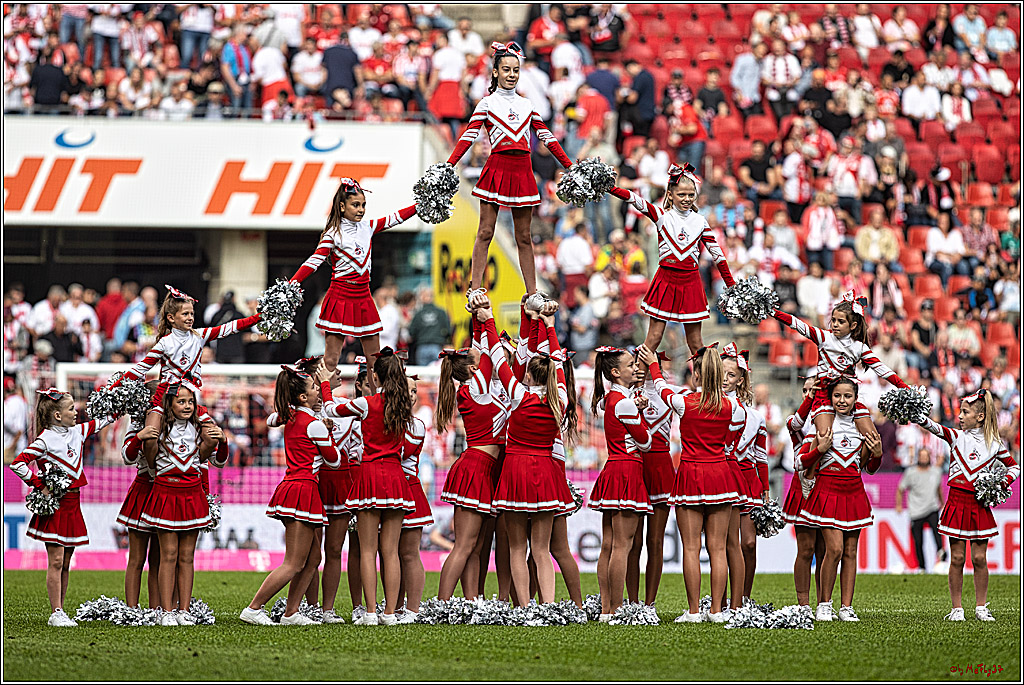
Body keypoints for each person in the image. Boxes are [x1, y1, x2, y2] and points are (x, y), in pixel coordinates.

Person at [449, 42, 573, 308]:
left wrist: (570, 165)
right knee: (485, 231)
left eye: (516, 70)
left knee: (524, 236)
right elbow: (468, 137)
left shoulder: (527, 104)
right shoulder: (486, 103)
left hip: (522, 170)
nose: (512, 74)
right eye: (506, 69)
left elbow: (548, 137)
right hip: (497, 168)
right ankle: (475, 288)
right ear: (495, 72)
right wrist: (449, 165)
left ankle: (533, 292)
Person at [637, 343, 743, 623]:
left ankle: (694, 611)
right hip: (720, 475)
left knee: (691, 548)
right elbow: (733, 437)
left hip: (691, 476)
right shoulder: (731, 406)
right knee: (718, 548)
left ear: (696, 374)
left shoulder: (684, 402)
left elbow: (660, 387)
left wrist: (653, 363)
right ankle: (717, 611)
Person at [477, 302, 574, 607]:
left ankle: (523, 607)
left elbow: (497, 358)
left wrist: (488, 321)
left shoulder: (519, 395)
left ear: (529, 377)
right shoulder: (560, 399)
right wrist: (549, 326)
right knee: (542, 550)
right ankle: (548, 606)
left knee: (517, 548)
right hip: (545, 472)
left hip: (516, 470)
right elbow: (558, 361)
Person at [289, 179, 416, 388]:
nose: (361, 210)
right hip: (339, 297)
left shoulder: (368, 227)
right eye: (355, 205)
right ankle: (318, 401)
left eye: (363, 205)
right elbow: (314, 262)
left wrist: (419, 205)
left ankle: (376, 403)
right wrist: (291, 284)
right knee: (331, 360)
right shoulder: (333, 234)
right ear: (342, 206)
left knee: (375, 361)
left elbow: (395, 218)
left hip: (364, 298)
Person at [9, 388, 120, 626]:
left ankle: (61, 610)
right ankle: (56, 612)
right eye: (71, 408)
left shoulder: (77, 431)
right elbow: (18, 464)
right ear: (57, 415)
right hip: (55, 506)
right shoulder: (45, 439)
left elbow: (102, 422)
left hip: (73, 504)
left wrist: (120, 406)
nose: (76, 411)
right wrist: (40, 485)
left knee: (67, 561)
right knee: (56, 560)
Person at [321, 348, 416, 625]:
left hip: (370, 475)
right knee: (391, 551)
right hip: (395, 477)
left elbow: (330, 409)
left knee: (367, 550)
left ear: (375, 376)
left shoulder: (366, 403)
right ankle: (390, 613)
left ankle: (371, 612)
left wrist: (325, 383)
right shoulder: (403, 405)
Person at [239, 365, 339, 625]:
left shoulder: (291, 416)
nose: (318, 391)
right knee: (294, 562)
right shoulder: (314, 425)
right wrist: (327, 431)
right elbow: (335, 461)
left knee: (313, 558)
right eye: (314, 388)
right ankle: (253, 608)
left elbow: (273, 419)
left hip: (296, 488)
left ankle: (291, 612)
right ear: (303, 397)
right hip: (302, 489)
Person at [108, 285, 260, 451]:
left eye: (192, 314)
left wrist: (259, 317)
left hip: (190, 400)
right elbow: (139, 369)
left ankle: (198, 465)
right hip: (165, 399)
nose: (190, 318)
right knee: (150, 439)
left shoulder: (199, 336)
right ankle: (151, 467)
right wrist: (110, 390)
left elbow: (232, 327)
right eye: (185, 314)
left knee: (212, 439)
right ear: (171, 318)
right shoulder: (164, 343)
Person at [607, 164, 736, 359]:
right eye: (681, 194)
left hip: (691, 282)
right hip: (665, 280)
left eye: (691, 195)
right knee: (653, 338)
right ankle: (639, 378)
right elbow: (634, 199)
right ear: (670, 195)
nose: (686, 199)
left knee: (696, 343)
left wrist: (731, 286)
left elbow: (718, 256)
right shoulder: (662, 216)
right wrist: (610, 188)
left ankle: (703, 379)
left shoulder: (700, 221)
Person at [913, 390, 1018, 621]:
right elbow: (933, 427)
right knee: (957, 558)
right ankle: (957, 609)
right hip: (957, 501)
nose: (960, 416)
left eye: (965, 412)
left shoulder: (994, 444)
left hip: (978, 505)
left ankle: (981, 607)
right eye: (960, 412)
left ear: (980, 416)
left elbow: (1015, 467)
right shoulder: (956, 436)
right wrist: (916, 414)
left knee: (979, 558)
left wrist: (1000, 483)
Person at [795, 377, 883, 621]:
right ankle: (824, 604)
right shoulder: (823, 423)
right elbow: (800, 462)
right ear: (830, 397)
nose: (842, 401)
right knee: (833, 549)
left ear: (856, 399)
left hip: (853, 492)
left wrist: (877, 454)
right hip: (827, 491)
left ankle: (846, 607)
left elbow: (868, 468)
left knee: (850, 552)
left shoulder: (863, 427)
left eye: (847, 396)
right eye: (837, 396)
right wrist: (819, 449)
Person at [433, 328, 511, 601]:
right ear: (474, 369)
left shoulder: (480, 390)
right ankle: (442, 604)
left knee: (476, 547)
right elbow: (488, 351)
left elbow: (484, 352)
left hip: (487, 468)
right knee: (464, 546)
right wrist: (483, 318)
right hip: (476, 468)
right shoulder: (474, 388)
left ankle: (472, 602)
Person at [138, 385, 223, 625]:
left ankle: (183, 610)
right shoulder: (159, 427)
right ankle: (166, 611)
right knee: (169, 555)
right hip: (166, 493)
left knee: (187, 557)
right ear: (169, 404)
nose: (187, 406)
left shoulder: (199, 427)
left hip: (192, 495)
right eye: (181, 401)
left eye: (190, 402)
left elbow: (213, 455)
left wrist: (219, 439)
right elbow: (149, 457)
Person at [773, 294, 910, 443]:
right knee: (824, 439)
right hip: (824, 398)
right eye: (833, 320)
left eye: (841, 321)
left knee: (873, 440)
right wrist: (772, 311)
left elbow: (884, 370)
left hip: (848, 399)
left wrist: (906, 388)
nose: (835, 324)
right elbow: (796, 323)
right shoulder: (823, 337)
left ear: (853, 325)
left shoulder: (859, 347)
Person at [589, 346, 652, 619]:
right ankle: (616, 608)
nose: (635, 368)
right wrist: (641, 412)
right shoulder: (624, 403)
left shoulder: (612, 398)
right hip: (627, 468)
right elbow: (646, 442)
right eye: (630, 365)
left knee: (609, 544)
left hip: (613, 468)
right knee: (622, 546)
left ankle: (606, 608)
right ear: (615, 372)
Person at [721, 345, 769, 603]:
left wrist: (766, 488)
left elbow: (761, 456)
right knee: (722, 544)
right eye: (721, 373)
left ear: (740, 379)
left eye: (731, 375)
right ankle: (722, 600)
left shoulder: (756, 417)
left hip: (748, 481)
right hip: (722, 476)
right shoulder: (709, 407)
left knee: (748, 543)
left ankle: (744, 598)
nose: (724, 379)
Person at [397, 378, 431, 623]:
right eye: (406, 389)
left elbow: (395, 453)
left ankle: (412, 609)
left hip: (407, 488)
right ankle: (394, 607)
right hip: (386, 489)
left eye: (414, 390)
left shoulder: (416, 425)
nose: (411, 395)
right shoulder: (381, 420)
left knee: (409, 553)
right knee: (390, 554)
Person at [896, 448, 947, 573]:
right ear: (918, 457)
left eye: (926, 456)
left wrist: (942, 503)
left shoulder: (936, 472)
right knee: (918, 541)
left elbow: (939, 489)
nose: (923, 458)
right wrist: (898, 505)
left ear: (929, 457)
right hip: (916, 510)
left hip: (932, 508)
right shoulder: (910, 472)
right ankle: (922, 567)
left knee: (938, 536)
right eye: (921, 456)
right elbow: (900, 489)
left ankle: (942, 561)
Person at [407, 287, 451, 366]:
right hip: (437, 347)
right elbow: (448, 330)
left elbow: (412, 332)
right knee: (437, 371)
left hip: (422, 348)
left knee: (422, 373)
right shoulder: (441, 312)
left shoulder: (418, 314)